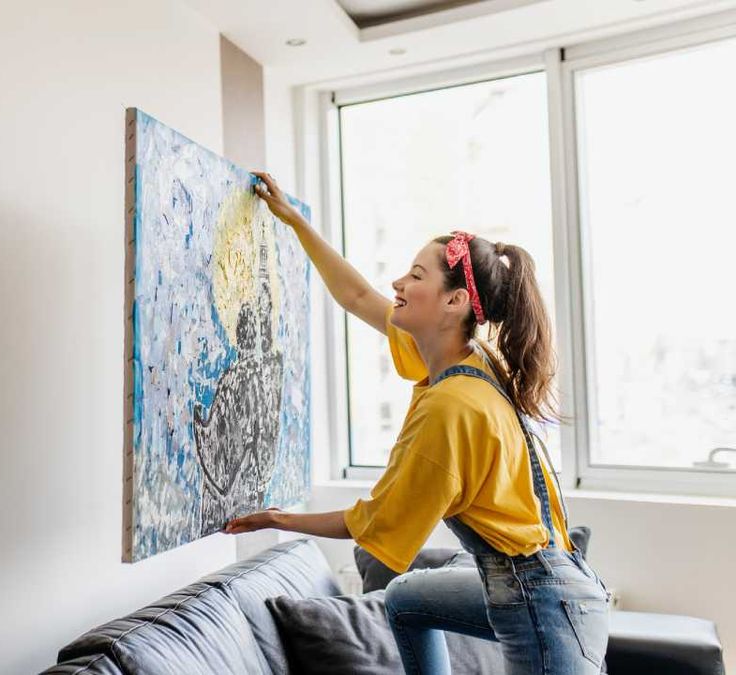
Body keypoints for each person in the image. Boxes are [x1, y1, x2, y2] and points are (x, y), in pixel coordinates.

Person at [223, 171, 613, 674]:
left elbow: (374, 522)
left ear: (454, 301)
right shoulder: (469, 359)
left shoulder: (451, 405)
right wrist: (296, 222)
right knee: (406, 597)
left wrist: (279, 520)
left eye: (415, 275)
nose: (397, 284)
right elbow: (358, 297)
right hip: (536, 581)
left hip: (547, 611)